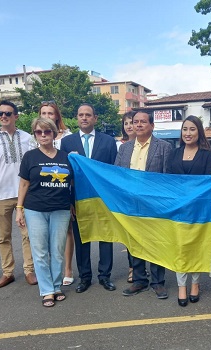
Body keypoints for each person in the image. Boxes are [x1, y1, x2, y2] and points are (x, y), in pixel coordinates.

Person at [0, 100, 37, 288]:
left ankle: (29, 270)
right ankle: (8, 272)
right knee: (3, 237)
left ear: (16, 116)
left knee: (28, 235)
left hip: (25, 195)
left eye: (8, 113)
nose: (3, 116)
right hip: (0, 195)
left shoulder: (28, 138)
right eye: (0, 113)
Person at [60, 104, 118, 294]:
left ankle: (105, 276)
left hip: (103, 198)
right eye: (80, 115)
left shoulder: (108, 141)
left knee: (105, 237)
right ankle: (85, 277)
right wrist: (69, 201)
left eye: (88, 115)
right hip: (79, 199)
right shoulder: (67, 142)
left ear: (95, 118)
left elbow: (113, 172)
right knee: (82, 238)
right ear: (76, 118)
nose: (84, 118)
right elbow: (65, 174)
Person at [15, 118, 73, 307]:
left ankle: (56, 286)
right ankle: (47, 290)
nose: (43, 135)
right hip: (35, 209)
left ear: (54, 134)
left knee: (56, 251)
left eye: (47, 132)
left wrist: (73, 205)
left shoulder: (66, 157)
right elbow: (24, 183)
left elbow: (72, 183)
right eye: (39, 132)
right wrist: (19, 209)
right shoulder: (30, 157)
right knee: (39, 252)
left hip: (61, 208)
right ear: (35, 135)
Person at [116, 111, 173, 300]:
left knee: (156, 241)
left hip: (155, 204)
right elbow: (117, 176)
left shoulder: (164, 147)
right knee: (135, 241)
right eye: (135, 122)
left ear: (152, 126)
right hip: (131, 204)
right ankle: (139, 279)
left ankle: (158, 282)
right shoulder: (124, 149)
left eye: (143, 122)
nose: (138, 125)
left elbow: (168, 178)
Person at [165, 116, 211, 307]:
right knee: (180, 247)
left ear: (199, 132)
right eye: (185, 129)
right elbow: (168, 180)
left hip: (199, 209)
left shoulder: (207, 155)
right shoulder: (174, 153)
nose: (188, 133)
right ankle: (181, 286)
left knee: (195, 245)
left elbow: (209, 181)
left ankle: (195, 283)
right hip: (178, 209)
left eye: (192, 129)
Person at [30, 101, 76, 285]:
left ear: (57, 116)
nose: (47, 116)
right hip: (39, 196)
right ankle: (45, 276)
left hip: (63, 195)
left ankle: (67, 269)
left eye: (50, 113)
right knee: (40, 239)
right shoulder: (36, 135)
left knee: (65, 233)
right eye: (43, 113)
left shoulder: (67, 138)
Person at [118, 111, 140, 283]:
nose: (129, 126)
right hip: (128, 199)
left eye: (131, 122)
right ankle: (133, 268)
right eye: (126, 123)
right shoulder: (122, 148)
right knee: (130, 237)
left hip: (146, 199)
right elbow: (115, 171)